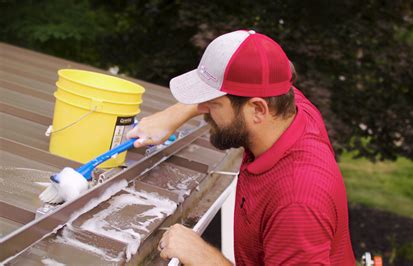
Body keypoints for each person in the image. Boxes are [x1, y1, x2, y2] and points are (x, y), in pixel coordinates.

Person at [127, 30, 355, 265]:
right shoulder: (286, 108)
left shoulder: (297, 203)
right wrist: (170, 117)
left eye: (214, 104)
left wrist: (206, 258)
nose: (204, 110)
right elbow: (246, 74)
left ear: (258, 110)